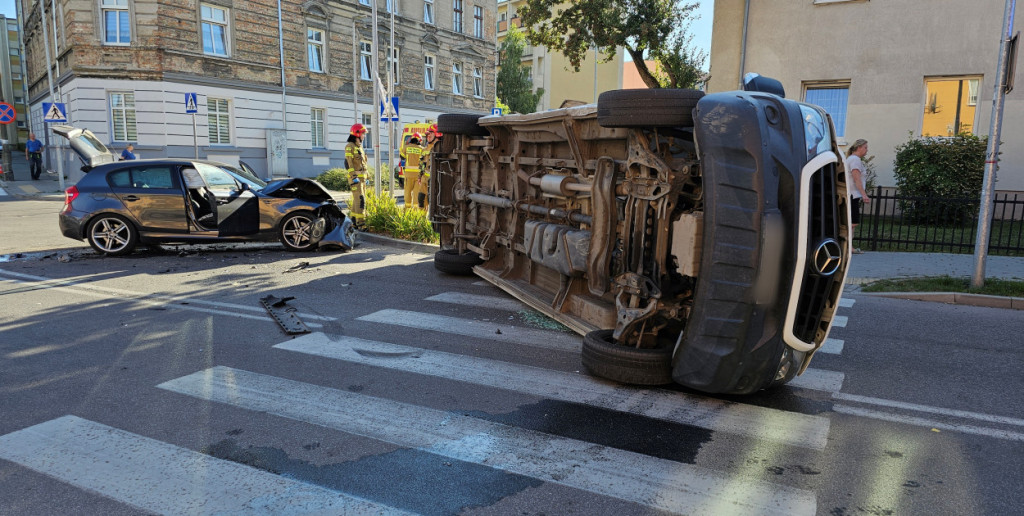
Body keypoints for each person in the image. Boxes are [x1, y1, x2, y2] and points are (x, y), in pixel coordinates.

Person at [845, 139, 871, 254]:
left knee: (852, 223)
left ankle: (848, 247)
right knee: (852, 223)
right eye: (865, 147)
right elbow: (857, 179)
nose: (867, 150)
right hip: (852, 194)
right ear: (859, 147)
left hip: (852, 194)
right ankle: (846, 247)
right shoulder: (855, 160)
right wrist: (864, 195)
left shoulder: (851, 159)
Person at [345, 123, 369, 225]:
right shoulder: (349, 146)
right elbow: (349, 164)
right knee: (360, 200)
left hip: (362, 178)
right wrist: (354, 177)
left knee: (357, 200)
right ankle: (361, 223)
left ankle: (354, 220)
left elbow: (363, 163)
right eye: (363, 133)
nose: (364, 135)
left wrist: (367, 176)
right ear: (357, 134)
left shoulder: (359, 147)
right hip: (356, 178)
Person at [400, 132, 426, 210]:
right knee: (416, 193)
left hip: (408, 174)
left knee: (407, 192)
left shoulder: (406, 147)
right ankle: (415, 210)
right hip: (418, 176)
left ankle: (407, 209)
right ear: (420, 140)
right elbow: (424, 162)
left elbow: (402, 158)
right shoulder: (422, 149)